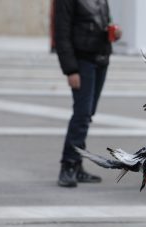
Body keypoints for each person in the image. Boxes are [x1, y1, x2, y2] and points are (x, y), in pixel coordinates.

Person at [54, 0, 122, 187]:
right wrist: (70, 70)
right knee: (82, 114)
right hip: (82, 62)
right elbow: (62, 32)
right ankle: (67, 165)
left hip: (101, 59)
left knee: (87, 113)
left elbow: (102, 22)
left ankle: (76, 165)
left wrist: (114, 33)